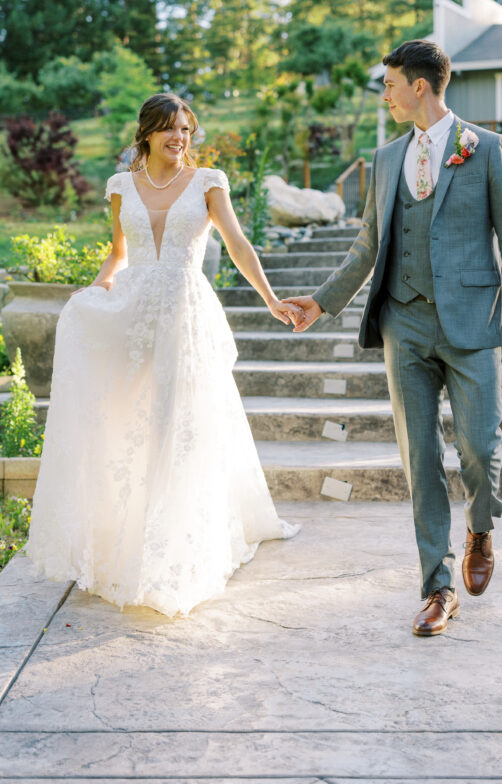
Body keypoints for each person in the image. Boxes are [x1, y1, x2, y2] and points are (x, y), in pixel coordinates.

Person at [284, 41, 502, 636]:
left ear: (419, 86)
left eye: (390, 83)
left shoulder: (486, 148)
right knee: (419, 457)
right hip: (405, 324)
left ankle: (481, 527)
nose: (386, 93)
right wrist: (320, 303)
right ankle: (438, 585)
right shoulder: (384, 158)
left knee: (480, 446)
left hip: (474, 322)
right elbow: (368, 248)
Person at [26, 93, 301, 617]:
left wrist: (270, 300)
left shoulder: (208, 182)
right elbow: (117, 252)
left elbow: (239, 244)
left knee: (175, 424)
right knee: (129, 421)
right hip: (130, 311)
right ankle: (125, 535)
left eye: (186, 129)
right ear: (148, 133)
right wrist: (96, 287)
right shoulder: (120, 187)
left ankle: (172, 552)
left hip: (184, 312)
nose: (180, 138)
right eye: (170, 128)